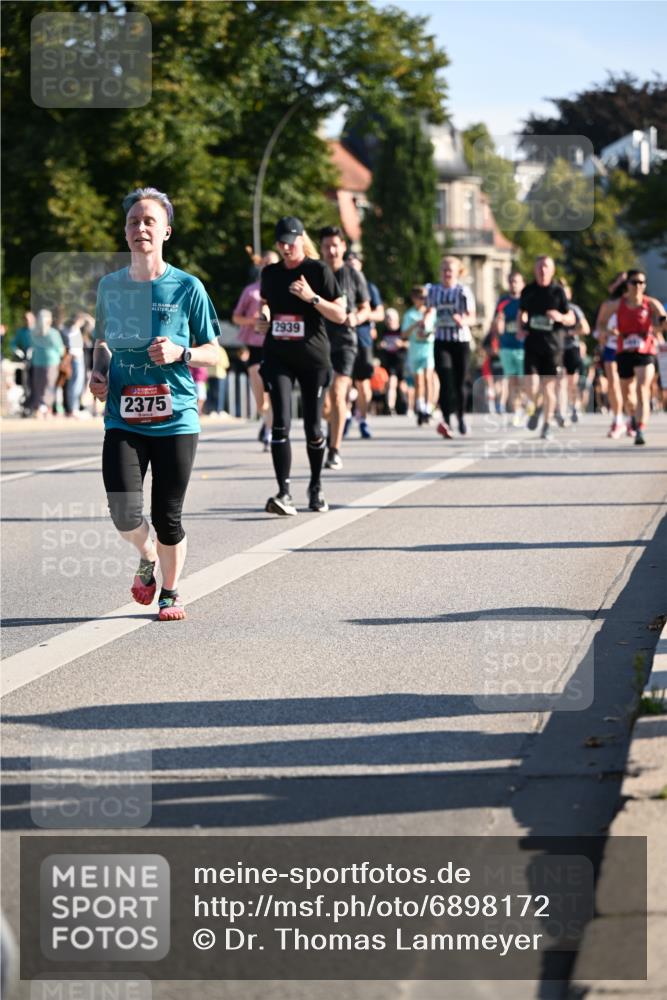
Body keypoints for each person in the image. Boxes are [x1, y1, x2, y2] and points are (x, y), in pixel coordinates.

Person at [89, 186, 220, 621]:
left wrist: (181, 353)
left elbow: (215, 354)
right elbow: (102, 343)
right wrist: (100, 373)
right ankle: (146, 555)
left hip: (176, 417)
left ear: (166, 230)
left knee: (168, 516)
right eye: (133, 221)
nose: (140, 227)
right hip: (123, 416)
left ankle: (170, 591)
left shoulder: (187, 287)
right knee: (123, 512)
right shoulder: (110, 286)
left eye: (149, 221)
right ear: (125, 232)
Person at [257, 216, 345, 515]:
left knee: (313, 427)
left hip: (313, 359)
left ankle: (316, 488)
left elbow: (340, 314)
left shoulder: (317, 270)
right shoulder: (269, 273)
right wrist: (265, 316)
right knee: (280, 422)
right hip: (279, 355)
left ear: (301, 239)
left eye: (290, 241)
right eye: (281, 241)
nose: (285, 246)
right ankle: (283, 492)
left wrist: (312, 297)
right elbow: (266, 302)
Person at [318, 226, 370, 469]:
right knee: (325, 404)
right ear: (321, 248)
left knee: (338, 393)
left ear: (343, 246)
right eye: (327, 246)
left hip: (345, 343)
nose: (331, 250)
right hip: (319, 342)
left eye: (335, 245)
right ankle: (332, 425)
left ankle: (334, 450)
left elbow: (366, 307)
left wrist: (356, 319)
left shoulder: (353, 275)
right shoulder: (314, 273)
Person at [517, 255, 575, 441]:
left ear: (552, 270)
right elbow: (522, 313)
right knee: (532, 385)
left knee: (549, 388)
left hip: (553, 347)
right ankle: (537, 407)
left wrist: (559, 316)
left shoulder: (558, 292)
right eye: (540, 267)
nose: (543, 270)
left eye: (546, 267)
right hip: (532, 344)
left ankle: (547, 425)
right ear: (535, 270)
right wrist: (520, 328)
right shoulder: (528, 290)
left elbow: (571, 318)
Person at [232, 250, 279, 450]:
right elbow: (236, 317)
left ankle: (272, 432)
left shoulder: (283, 289)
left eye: (273, 263)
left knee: (277, 394)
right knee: (261, 400)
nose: (268, 266)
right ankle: (267, 422)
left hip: (277, 347)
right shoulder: (251, 291)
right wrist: (253, 321)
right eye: (265, 262)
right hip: (256, 348)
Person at [615, 269, 666, 446]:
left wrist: (660, 324)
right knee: (628, 396)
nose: (638, 286)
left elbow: (663, 319)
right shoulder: (616, 305)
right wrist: (608, 332)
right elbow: (600, 325)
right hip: (624, 351)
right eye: (634, 282)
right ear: (627, 284)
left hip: (646, 351)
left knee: (642, 388)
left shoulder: (650, 303)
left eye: (641, 283)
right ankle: (633, 418)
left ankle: (640, 429)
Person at [427, 255, 476, 438]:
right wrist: (426, 324)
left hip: (460, 341)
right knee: (445, 379)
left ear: (457, 273)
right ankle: (446, 419)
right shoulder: (434, 291)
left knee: (460, 382)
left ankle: (461, 417)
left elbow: (472, 317)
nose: (447, 273)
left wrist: (462, 320)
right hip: (441, 340)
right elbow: (429, 311)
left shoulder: (463, 291)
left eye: (450, 270)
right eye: (444, 270)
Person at [346, 251, 385, 439]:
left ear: (361, 265)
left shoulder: (369, 287)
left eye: (355, 264)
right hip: (342, 338)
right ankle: (344, 416)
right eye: (348, 264)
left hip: (362, 338)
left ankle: (362, 418)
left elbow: (380, 314)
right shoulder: (339, 285)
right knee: (342, 381)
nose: (352, 267)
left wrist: (362, 313)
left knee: (362, 383)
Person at [595, 273, 629, 439]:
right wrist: (608, 332)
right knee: (613, 385)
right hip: (611, 348)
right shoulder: (608, 305)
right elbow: (598, 329)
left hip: (631, 350)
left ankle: (632, 420)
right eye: (619, 282)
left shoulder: (639, 303)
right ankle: (617, 419)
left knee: (629, 389)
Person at [492, 271, 525, 424]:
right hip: (507, 346)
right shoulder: (503, 301)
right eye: (511, 281)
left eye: (516, 281)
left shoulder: (526, 300)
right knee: (512, 381)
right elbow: (496, 324)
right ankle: (517, 411)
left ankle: (529, 405)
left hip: (524, 347)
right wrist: (497, 336)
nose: (513, 284)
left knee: (526, 380)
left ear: (522, 284)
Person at [557, 280, 590, 425]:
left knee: (571, 381)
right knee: (560, 380)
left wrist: (570, 332)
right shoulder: (553, 309)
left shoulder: (574, 309)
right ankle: (562, 412)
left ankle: (575, 405)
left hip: (571, 348)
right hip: (557, 349)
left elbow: (586, 328)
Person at [402, 286, 435, 424]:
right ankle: (420, 408)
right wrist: (415, 325)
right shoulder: (409, 315)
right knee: (418, 381)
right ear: (414, 298)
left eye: (425, 298)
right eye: (421, 297)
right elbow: (403, 334)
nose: (423, 300)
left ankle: (428, 408)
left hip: (428, 348)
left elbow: (435, 328)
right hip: (415, 349)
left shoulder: (431, 312)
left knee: (428, 378)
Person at [29, 308, 65, 418]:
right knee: (49, 386)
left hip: (37, 361)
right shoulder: (53, 333)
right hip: (51, 361)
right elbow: (60, 349)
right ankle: (46, 409)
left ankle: (38, 407)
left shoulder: (33, 332)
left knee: (38, 385)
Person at [378, 307, 409, 414]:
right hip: (389, 360)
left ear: (396, 319)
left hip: (401, 360)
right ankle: (390, 407)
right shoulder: (384, 331)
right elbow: (379, 344)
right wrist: (381, 345)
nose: (388, 320)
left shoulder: (402, 330)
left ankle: (406, 405)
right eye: (387, 318)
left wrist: (402, 344)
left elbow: (410, 344)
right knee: (391, 382)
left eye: (390, 318)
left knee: (402, 384)